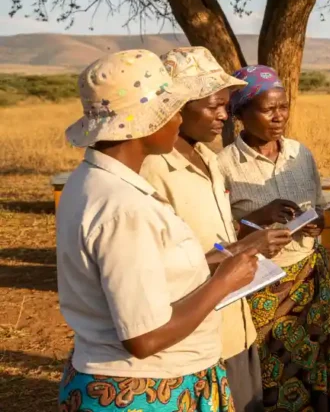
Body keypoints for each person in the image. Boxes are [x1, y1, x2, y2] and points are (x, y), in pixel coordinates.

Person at [57, 50, 259, 412]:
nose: (179, 120)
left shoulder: (91, 181)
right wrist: (222, 283)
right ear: (146, 123)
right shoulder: (123, 207)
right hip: (146, 391)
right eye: (173, 110)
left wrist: (217, 261)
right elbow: (144, 337)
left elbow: (150, 272)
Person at [141, 47, 294, 412]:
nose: (224, 116)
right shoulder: (152, 171)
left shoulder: (209, 159)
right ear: (176, 108)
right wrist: (243, 248)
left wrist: (251, 236)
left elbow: (217, 234)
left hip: (235, 326)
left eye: (226, 105)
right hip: (192, 336)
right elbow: (160, 267)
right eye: (213, 106)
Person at [217, 65, 330, 412]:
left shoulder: (300, 155)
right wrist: (257, 219)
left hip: (309, 279)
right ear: (240, 113)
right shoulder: (224, 165)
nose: (278, 117)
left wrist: (315, 221)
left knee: (313, 362)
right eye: (267, 108)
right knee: (271, 366)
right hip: (260, 286)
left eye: (283, 107)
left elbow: (317, 205)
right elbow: (219, 239)